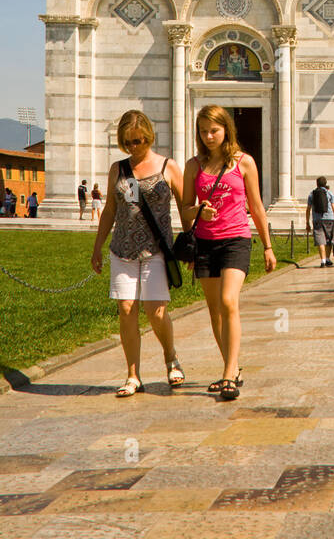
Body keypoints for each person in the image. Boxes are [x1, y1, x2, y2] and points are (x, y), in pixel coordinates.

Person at [182, 104, 276, 401]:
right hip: (204, 241)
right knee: (214, 311)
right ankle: (232, 367)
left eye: (214, 130)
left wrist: (269, 246)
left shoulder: (244, 163)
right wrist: (198, 211)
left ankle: (227, 375)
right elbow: (185, 210)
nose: (209, 136)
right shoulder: (193, 165)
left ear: (226, 130)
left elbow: (257, 206)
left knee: (228, 301)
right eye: (203, 131)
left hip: (236, 238)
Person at [90, 109, 186, 398]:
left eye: (139, 141)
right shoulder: (118, 169)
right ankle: (133, 375)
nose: (133, 147)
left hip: (156, 249)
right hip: (123, 250)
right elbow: (110, 210)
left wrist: (193, 243)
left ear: (149, 136)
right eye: (128, 142)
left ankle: (171, 357)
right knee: (126, 309)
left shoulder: (168, 167)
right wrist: (97, 246)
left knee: (155, 311)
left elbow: (185, 207)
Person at [306, 175, 334, 266]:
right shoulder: (329, 194)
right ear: (325, 183)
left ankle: (322, 260)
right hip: (329, 218)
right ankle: (327, 258)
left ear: (317, 184)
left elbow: (308, 209)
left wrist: (307, 222)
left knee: (320, 240)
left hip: (317, 219)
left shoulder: (312, 194)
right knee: (329, 240)